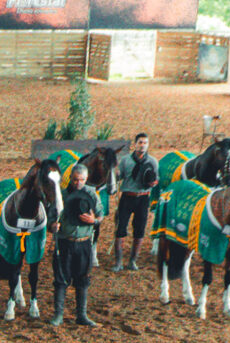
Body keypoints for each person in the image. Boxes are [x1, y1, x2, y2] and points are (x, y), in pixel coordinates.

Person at [50, 162, 102, 328]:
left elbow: (101, 215)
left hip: (84, 243)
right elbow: (51, 218)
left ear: (86, 179)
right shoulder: (61, 196)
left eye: (82, 180)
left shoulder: (92, 195)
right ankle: (58, 315)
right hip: (65, 242)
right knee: (61, 279)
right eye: (75, 180)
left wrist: (94, 221)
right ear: (70, 179)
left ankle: (82, 314)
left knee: (83, 278)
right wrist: (53, 226)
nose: (78, 183)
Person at [111, 132, 156, 272]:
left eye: (145, 143)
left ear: (148, 145)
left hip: (143, 198)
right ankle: (118, 262)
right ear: (135, 144)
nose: (142, 145)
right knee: (120, 229)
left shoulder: (153, 162)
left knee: (140, 230)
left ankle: (132, 261)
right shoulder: (125, 160)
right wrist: (115, 175)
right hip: (127, 197)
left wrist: (152, 182)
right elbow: (120, 177)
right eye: (140, 142)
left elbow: (156, 180)